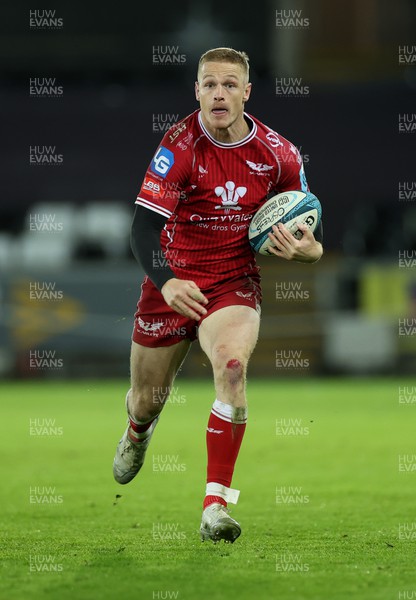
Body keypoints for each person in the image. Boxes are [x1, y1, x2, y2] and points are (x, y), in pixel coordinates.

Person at [113, 47, 323, 544]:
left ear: (247, 93)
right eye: (209, 85)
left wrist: (307, 252)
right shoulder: (179, 145)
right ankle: (138, 432)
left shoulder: (280, 155)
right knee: (146, 400)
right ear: (197, 92)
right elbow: (142, 231)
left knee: (232, 367)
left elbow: (312, 241)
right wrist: (166, 280)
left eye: (230, 85)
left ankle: (215, 507)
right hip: (172, 280)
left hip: (232, 282)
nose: (219, 94)